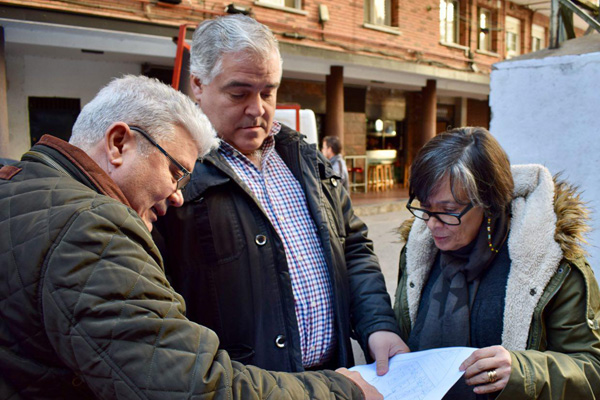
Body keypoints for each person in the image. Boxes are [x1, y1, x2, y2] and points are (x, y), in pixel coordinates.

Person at [0, 74, 382, 399]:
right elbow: (192, 384)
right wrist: (338, 391)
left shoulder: (23, 186)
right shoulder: (92, 227)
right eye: (175, 172)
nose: (177, 196)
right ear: (118, 143)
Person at [155, 14, 407, 376]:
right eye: (239, 93)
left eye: (268, 92)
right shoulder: (172, 172)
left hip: (334, 378)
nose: (258, 109)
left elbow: (352, 248)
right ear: (198, 84)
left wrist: (378, 325)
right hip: (248, 387)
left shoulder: (304, 157)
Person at [394, 126, 600, 399]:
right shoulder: (419, 250)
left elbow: (591, 368)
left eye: (448, 211)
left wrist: (523, 371)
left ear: (489, 203)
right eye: (425, 207)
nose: (431, 224)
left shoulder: (549, 263)